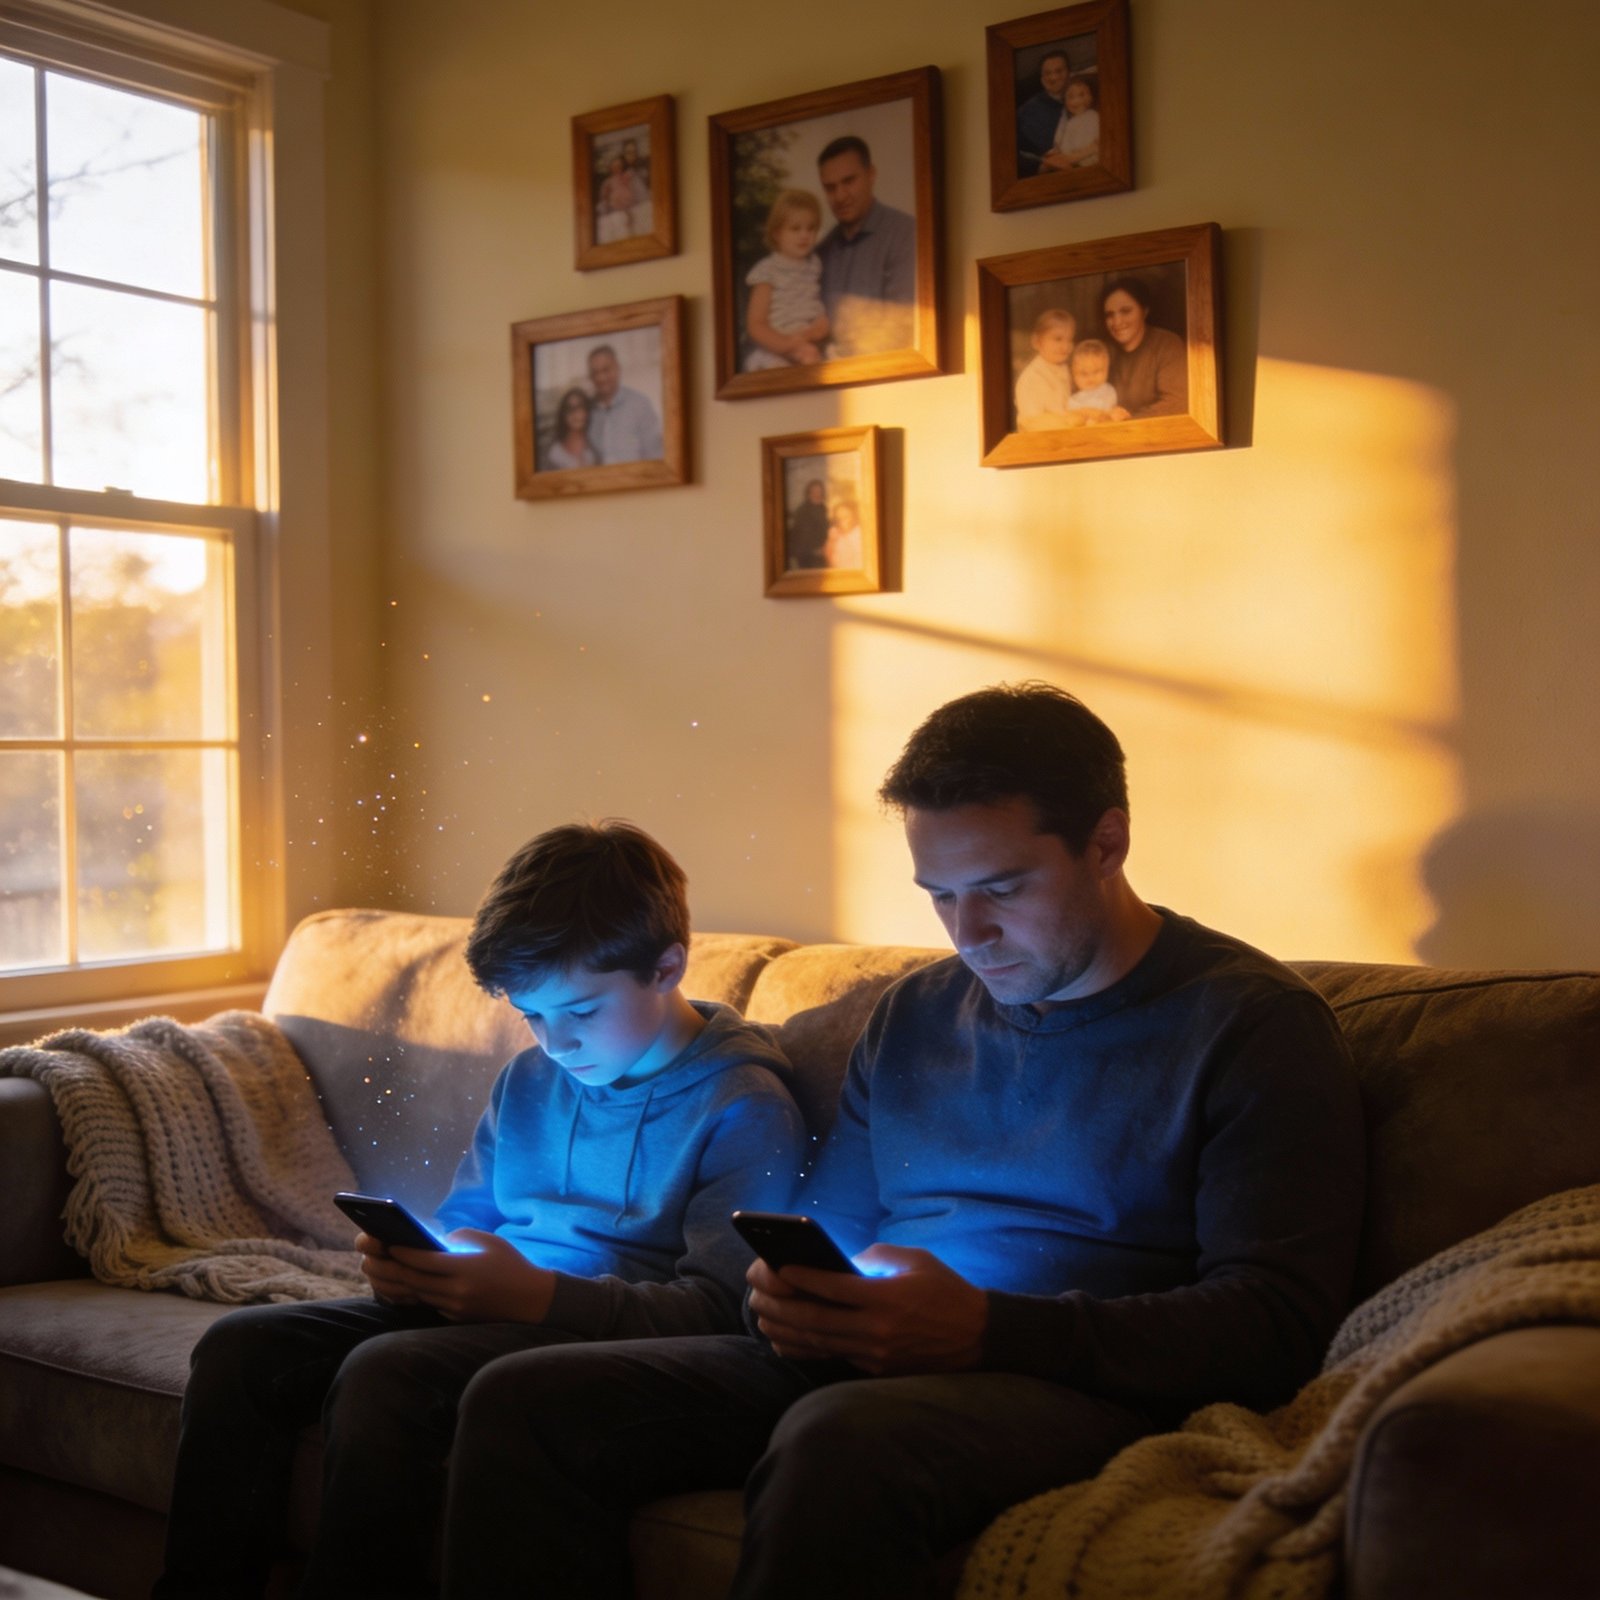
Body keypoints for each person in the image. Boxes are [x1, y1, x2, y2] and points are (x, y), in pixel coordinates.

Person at [433, 683, 1367, 1600]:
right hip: (876, 1353)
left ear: (1107, 842)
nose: (970, 934)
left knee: (842, 1440)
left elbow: (1277, 1320)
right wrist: (791, 1286)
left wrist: (987, 1329)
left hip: (1075, 1380)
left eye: (1002, 889)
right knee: (525, 1402)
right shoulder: (916, 1013)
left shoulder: (1251, 1025)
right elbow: (828, 1227)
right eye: (941, 897)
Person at [153, 820, 806, 1600]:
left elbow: (724, 1314)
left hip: (585, 1336)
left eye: (582, 1011)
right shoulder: (529, 1079)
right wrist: (415, 1264)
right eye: (532, 1014)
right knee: (240, 1347)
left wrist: (535, 1297)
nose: (555, 1041)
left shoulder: (744, 1104)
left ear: (668, 967)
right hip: (488, 1308)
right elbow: (469, 1219)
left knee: (388, 1372)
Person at [814, 134, 916, 357]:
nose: (840, 196)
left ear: (871, 175)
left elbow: (905, 325)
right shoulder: (820, 254)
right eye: (830, 188)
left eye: (849, 181)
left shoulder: (907, 234)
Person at [743, 189, 830, 370]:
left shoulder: (814, 265)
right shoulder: (768, 270)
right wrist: (785, 344)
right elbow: (756, 324)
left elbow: (813, 302)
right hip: (774, 346)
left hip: (807, 342)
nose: (804, 235)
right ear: (777, 233)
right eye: (795, 228)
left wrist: (817, 328)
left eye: (811, 228)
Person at [1101, 276, 1188, 418]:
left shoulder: (1167, 344)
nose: (1117, 321)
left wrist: (1128, 421)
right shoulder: (1104, 351)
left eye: (1126, 311)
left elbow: (1177, 403)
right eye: (1110, 315)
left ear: (1145, 311)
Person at [586, 343, 663, 462]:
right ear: (590, 377)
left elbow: (655, 455)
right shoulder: (586, 411)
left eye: (606, 370)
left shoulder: (640, 404)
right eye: (595, 373)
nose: (601, 378)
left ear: (618, 369)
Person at [1014, 307, 1076, 432]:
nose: (1065, 346)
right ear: (1037, 342)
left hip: (1066, 432)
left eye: (1069, 340)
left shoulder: (1065, 369)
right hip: (1040, 437)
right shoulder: (1031, 378)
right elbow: (1031, 421)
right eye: (1058, 339)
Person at [1016, 48, 1071, 171]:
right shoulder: (1026, 111)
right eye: (1047, 73)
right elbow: (1008, 152)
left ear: (1069, 73)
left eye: (1059, 71)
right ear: (1042, 78)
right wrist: (1041, 166)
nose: (1054, 77)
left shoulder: (1086, 97)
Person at [1040, 73, 1100, 171]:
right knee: (1044, 166)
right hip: (1072, 161)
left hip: (1088, 160)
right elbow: (1065, 146)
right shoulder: (1069, 123)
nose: (1076, 101)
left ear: (1090, 97)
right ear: (1066, 102)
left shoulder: (1093, 116)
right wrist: (1055, 153)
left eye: (1081, 95)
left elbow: (1096, 145)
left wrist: (1071, 158)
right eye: (1071, 97)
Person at [542, 386, 599, 470]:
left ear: (587, 412)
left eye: (580, 407)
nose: (576, 414)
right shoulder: (555, 454)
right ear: (563, 415)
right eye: (570, 409)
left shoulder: (594, 448)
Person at [595, 153, 645, 244]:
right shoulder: (608, 181)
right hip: (615, 206)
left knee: (632, 219)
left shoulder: (627, 176)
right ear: (610, 168)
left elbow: (635, 190)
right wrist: (607, 197)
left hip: (628, 202)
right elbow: (604, 197)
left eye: (619, 166)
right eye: (614, 166)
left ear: (622, 167)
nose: (616, 169)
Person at [1065, 338, 1118, 422]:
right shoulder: (1073, 400)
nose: (1091, 378)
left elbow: (1110, 413)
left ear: (1106, 370)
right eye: (1084, 373)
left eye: (1096, 371)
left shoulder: (1108, 391)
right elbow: (1071, 420)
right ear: (1074, 375)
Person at [787, 478, 829, 568]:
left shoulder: (823, 508)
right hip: (808, 555)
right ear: (808, 494)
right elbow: (802, 536)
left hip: (822, 553)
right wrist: (815, 550)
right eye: (814, 491)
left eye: (820, 491)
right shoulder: (803, 511)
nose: (818, 494)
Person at [821, 498, 862, 569]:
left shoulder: (859, 533)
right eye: (838, 518)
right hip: (841, 574)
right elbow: (828, 560)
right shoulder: (834, 533)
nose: (841, 521)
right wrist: (831, 541)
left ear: (854, 516)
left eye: (845, 517)